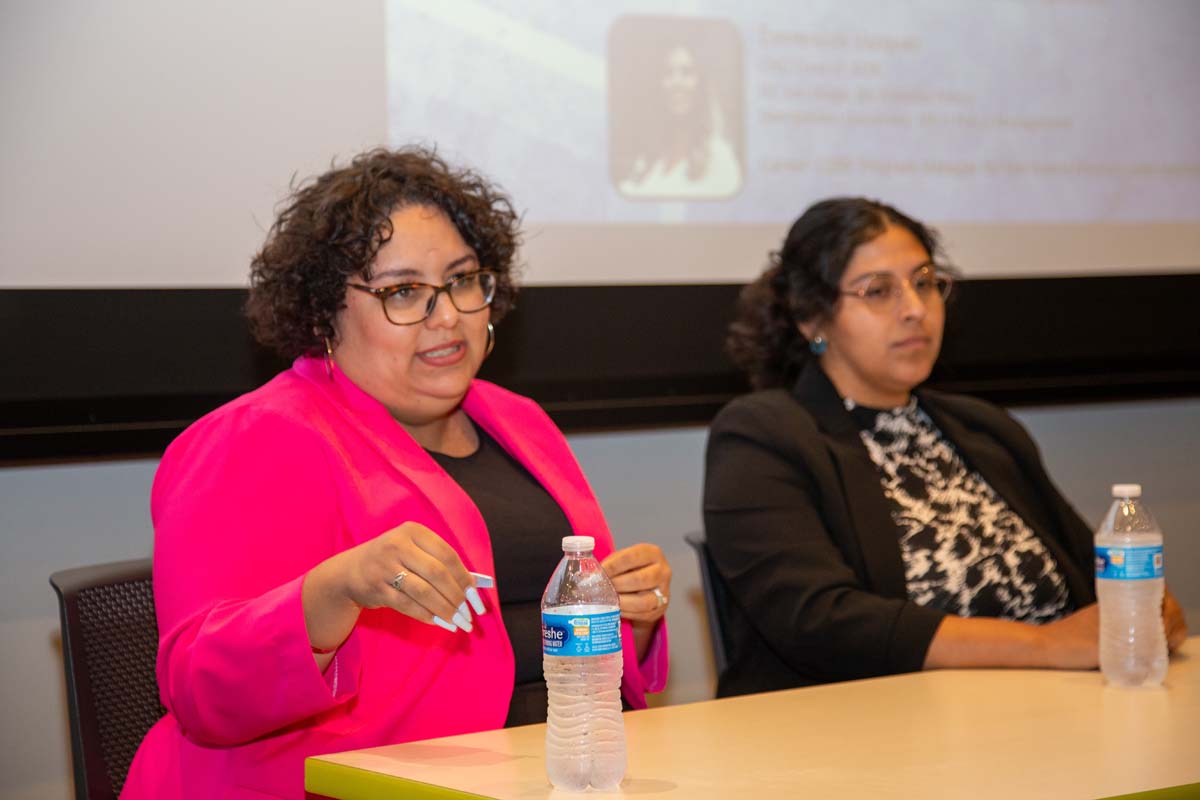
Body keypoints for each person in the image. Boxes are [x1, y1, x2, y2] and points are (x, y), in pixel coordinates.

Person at [123, 147, 671, 798]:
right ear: (325, 310)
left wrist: (629, 614)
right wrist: (333, 591)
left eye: (464, 280)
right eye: (404, 292)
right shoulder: (257, 437)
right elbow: (200, 687)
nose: (448, 316)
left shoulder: (520, 421)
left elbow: (570, 642)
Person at [702, 197, 1186, 697]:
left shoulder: (984, 428)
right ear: (812, 318)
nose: (915, 309)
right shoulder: (762, 436)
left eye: (925, 282)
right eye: (878, 291)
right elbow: (821, 622)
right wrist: (1042, 647)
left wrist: (1142, 608)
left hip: (1051, 716)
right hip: (872, 735)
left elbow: (1095, 576)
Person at [617, 43, 741, 199]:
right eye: (668, 73)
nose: (676, 82)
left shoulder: (720, 158)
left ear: (701, 84)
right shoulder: (648, 160)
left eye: (687, 72)